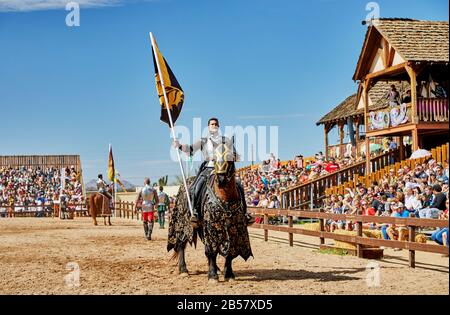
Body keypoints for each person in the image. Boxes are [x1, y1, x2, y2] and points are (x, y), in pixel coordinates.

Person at [174, 117, 254, 226]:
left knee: (239, 185)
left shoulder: (226, 140)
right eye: (212, 124)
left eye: (216, 124)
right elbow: (190, 149)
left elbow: (236, 156)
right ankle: (196, 213)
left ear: (219, 126)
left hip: (224, 170)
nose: (214, 125)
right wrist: (179, 146)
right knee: (196, 187)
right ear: (208, 127)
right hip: (208, 169)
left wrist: (233, 156)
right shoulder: (203, 141)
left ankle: (245, 214)